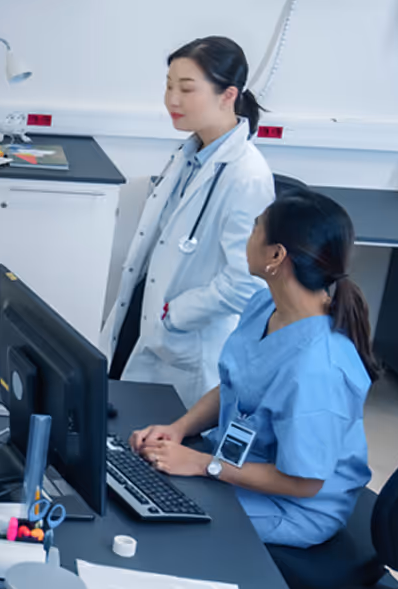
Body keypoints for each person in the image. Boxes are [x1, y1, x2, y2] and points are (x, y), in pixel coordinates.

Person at [129, 190, 378, 548]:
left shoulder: (318, 367)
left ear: (276, 256)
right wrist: (177, 429)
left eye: (254, 229)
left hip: (290, 504)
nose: (247, 239)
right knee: (144, 478)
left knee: (156, 519)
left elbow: (304, 483)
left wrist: (203, 464)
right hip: (237, 465)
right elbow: (237, 385)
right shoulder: (265, 306)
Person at [103, 36, 278, 404]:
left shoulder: (246, 176)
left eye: (186, 89)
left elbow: (248, 283)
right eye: (168, 86)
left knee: (150, 438)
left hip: (182, 333)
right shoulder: (190, 153)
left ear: (228, 95)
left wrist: (176, 313)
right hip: (144, 314)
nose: (172, 100)